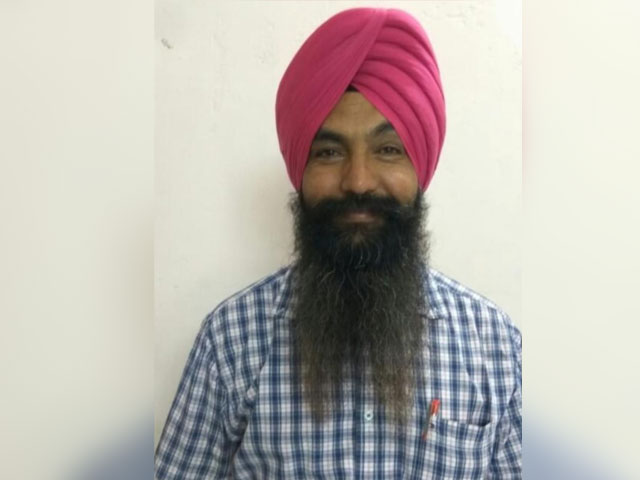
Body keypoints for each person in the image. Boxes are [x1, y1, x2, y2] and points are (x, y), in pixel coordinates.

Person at [155, 7, 521, 479]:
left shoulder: (493, 345)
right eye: (329, 152)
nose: (358, 180)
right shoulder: (230, 342)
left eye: (388, 149)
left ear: (420, 168)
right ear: (301, 171)